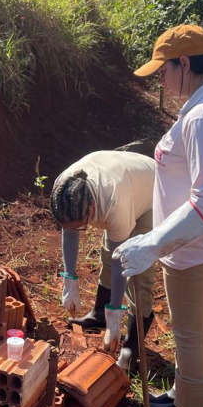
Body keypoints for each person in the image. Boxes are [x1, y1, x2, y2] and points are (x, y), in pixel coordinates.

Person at [114, 24, 203, 407]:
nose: (161, 78)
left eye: (164, 70)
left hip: (194, 245)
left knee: (187, 330)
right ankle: (187, 386)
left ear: (185, 63)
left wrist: (153, 243)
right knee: (191, 322)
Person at [51, 151, 156, 370]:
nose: (78, 228)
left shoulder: (113, 202)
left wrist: (116, 315)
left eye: (82, 223)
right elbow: (69, 232)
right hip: (127, 180)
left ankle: (131, 347)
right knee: (109, 253)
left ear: (91, 208)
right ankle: (99, 314)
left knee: (137, 270)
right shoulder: (65, 189)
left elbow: (121, 262)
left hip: (152, 194)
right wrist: (69, 280)